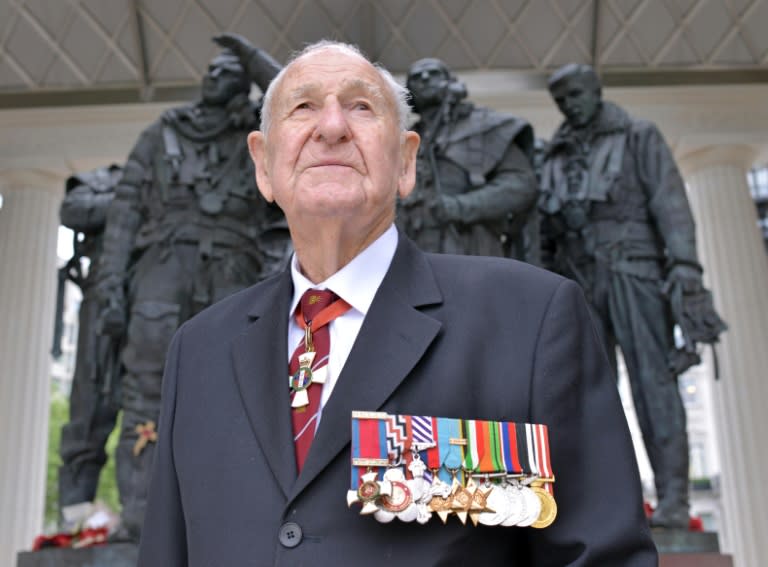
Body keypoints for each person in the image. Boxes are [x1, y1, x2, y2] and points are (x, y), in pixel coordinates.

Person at [138, 41, 656, 565]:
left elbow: (602, 556)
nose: (332, 126)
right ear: (263, 166)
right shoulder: (199, 350)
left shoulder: (528, 318)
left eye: (362, 107)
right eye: (303, 107)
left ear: (407, 162)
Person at [96, 35, 290, 540]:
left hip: (233, 272)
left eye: (229, 70)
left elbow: (295, 94)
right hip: (165, 267)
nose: (213, 76)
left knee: (238, 391)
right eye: (210, 69)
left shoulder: (260, 135)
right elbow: (122, 216)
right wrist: (110, 286)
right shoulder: (162, 133)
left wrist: (254, 57)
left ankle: (224, 517)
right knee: (143, 389)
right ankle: (137, 519)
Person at [539, 63, 725, 529]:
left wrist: (685, 266)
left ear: (597, 90)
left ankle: (674, 500)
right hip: (578, 278)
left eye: (577, 94)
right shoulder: (554, 154)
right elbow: (544, 227)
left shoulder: (638, 135)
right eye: (562, 100)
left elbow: (670, 203)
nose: (570, 105)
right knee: (586, 393)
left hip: (634, 273)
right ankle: (604, 501)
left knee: (653, 385)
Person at [398, 58, 538, 262]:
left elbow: (521, 185)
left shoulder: (485, 125)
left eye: (433, 73)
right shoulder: (403, 141)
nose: (425, 78)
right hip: (415, 249)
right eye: (417, 77)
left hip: (470, 246)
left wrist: (460, 206)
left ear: (451, 81)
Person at [55, 165, 122, 522]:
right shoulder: (112, 179)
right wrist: (132, 199)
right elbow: (74, 208)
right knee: (88, 404)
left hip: (159, 311)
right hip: (102, 304)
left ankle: (141, 519)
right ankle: (75, 517)